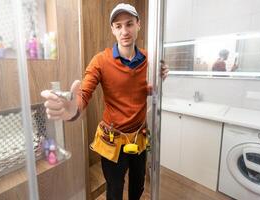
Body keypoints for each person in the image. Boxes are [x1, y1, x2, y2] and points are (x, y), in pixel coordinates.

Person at [41, 3, 169, 200]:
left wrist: (160, 75)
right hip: (113, 140)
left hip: (140, 137)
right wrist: (73, 109)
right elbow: (84, 93)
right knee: (115, 190)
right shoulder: (100, 61)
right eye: (118, 26)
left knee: (138, 186)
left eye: (129, 24)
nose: (124, 31)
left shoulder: (149, 58)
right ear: (113, 30)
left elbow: (143, 89)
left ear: (138, 25)